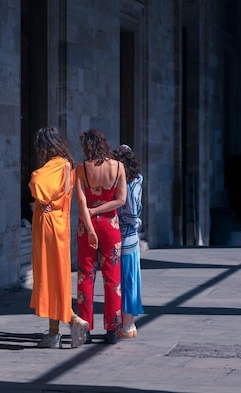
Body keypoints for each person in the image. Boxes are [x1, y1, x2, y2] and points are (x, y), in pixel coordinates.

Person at [29, 126, 89, 349]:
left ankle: (73, 320)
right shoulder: (67, 165)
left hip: (49, 225)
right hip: (61, 226)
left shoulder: (53, 166)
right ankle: (54, 334)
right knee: (58, 278)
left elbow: (36, 182)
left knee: (49, 277)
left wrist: (43, 201)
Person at [74, 129, 126, 344]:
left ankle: (85, 329)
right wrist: (101, 211)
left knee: (85, 276)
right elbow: (121, 200)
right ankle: (112, 330)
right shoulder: (118, 167)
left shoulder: (81, 169)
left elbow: (81, 204)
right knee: (113, 278)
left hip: (87, 227)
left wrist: (91, 226)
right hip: (110, 225)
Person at [112, 144, 144, 339]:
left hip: (124, 236)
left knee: (125, 281)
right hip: (132, 237)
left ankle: (127, 325)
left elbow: (131, 210)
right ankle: (128, 323)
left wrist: (133, 221)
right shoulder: (137, 180)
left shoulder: (125, 184)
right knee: (130, 281)